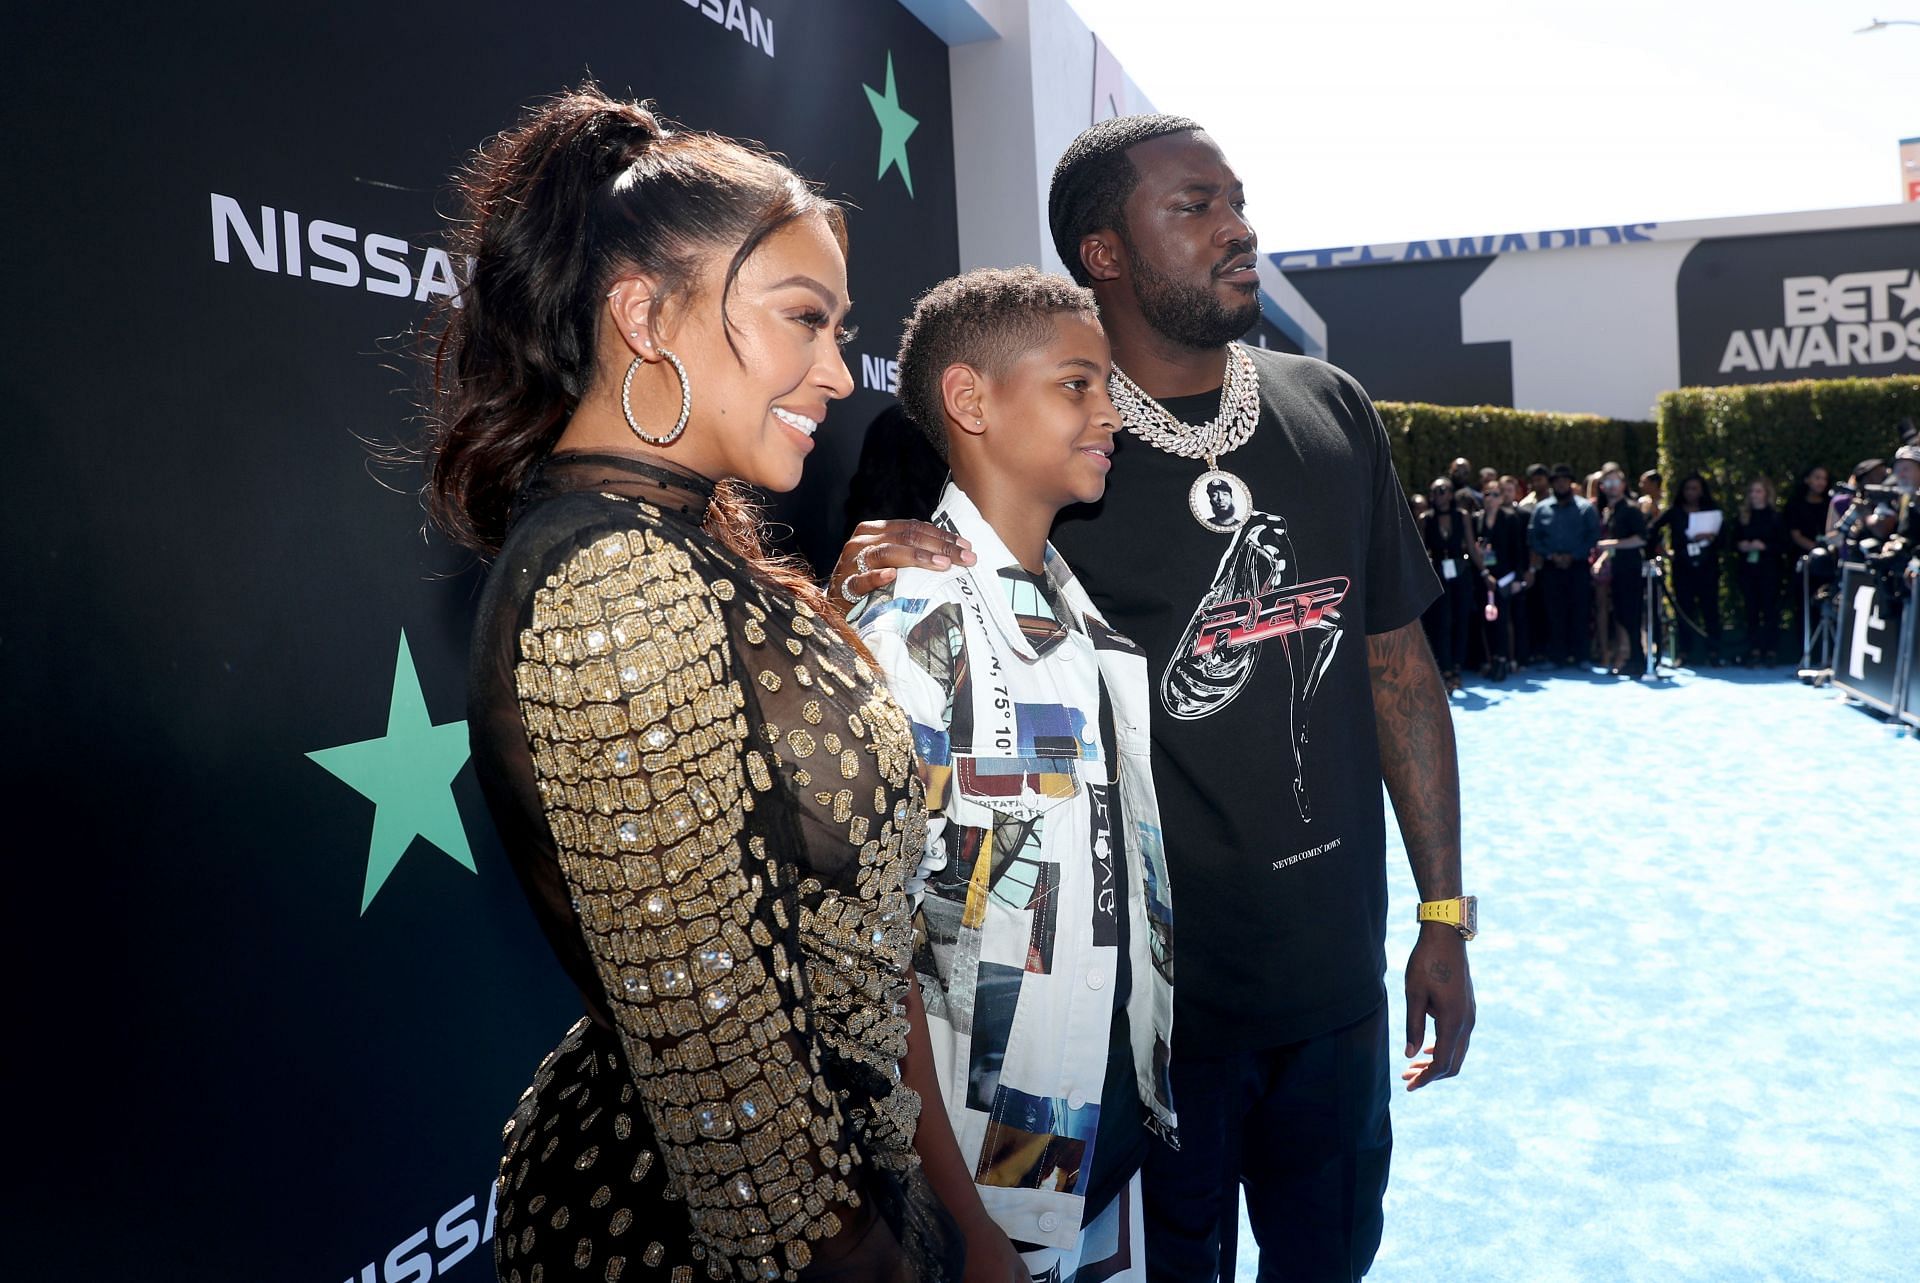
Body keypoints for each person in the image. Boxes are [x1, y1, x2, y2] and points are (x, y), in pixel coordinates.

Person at [832, 114, 1476, 1283]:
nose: (1239, 228)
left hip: (1336, 983)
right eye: (1195, 205)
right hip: (1135, 1024)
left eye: (1237, 198)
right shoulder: (1027, 440)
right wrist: (871, 558)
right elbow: (901, 618)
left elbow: (1397, 667)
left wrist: (1445, 915)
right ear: (1103, 251)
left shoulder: (1331, 406)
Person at [429, 89, 968, 1283]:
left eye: (840, 328)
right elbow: (740, 1112)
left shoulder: (667, 543)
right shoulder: (614, 581)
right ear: (643, 313)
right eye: (803, 319)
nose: (838, 371)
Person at [854, 266, 1177, 1283]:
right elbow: (879, 956)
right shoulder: (910, 628)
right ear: (971, 400)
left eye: (1108, 388)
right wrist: (965, 1220)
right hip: (986, 1191)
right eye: (1077, 385)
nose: (1110, 415)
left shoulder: (1074, 612)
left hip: (1097, 1147)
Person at [1419, 478, 1493, 690]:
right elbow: (1422, 551)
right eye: (1434, 491)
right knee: (1443, 621)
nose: (1438, 495)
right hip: (1439, 573)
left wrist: (1485, 572)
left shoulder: (1462, 516)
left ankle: (1457, 666)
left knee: (1461, 619)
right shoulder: (1426, 518)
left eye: (1442, 490)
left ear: (1451, 494)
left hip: (1461, 572)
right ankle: (1446, 669)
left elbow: (1471, 546)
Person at [1526, 463, 1601, 668]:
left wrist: (1574, 555)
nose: (1560, 484)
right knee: (1553, 612)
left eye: (1564, 480)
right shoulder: (1542, 509)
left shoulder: (1585, 508)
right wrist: (1550, 554)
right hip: (1551, 567)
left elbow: (1593, 536)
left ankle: (1581, 656)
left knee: (1580, 611)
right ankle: (1556, 656)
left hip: (1577, 567)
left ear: (1570, 483)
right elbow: (1533, 537)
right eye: (1556, 481)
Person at [1652, 473, 1725, 667]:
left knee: (1711, 610)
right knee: (1684, 610)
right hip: (1682, 567)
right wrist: (1664, 552)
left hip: (1707, 567)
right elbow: (1653, 529)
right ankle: (1685, 652)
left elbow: (1724, 540)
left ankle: (1714, 651)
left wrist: (1710, 538)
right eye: (1688, 489)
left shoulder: (1712, 511)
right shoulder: (1675, 511)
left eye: (1695, 488)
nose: (1691, 493)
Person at [1591, 464, 1650, 677]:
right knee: (1622, 617)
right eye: (1607, 483)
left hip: (1631, 571)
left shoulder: (1631, 509)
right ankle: (1632, 659)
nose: (1612, 487)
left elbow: (1640, 539)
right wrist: (1602, 560)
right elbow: (1613, 545)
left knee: (1632, 617)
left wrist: (1611, 544)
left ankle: (1638, 660)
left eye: (1616, 482)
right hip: (1617, 571)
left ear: (1623, 485)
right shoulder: (1612, 511)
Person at [1474, 481, 1529, 678]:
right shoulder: (1476, 519)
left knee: (1504, 619)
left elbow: (1518, 550)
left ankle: (1505, 659)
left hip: (1506, 576)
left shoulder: (1510, 518)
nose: (1491, 498)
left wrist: (1518, 578)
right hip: (1484, 576)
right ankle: (1489, 659)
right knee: (1485, 619)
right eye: (1487, 494)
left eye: (1496, 495)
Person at [1731, 477, 1787, 664]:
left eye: (1759, 491)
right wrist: (1743, 545)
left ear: (1766, 494)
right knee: (1751, 610)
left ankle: (1771, 649)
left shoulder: (1775, 517)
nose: (1755, 495)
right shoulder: (1743, 517)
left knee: (1770, 610)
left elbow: (1783, 545)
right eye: (1752, 491)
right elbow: (1732, 542)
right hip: (1748, 570)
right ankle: (1753, 649)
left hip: (1770, 570)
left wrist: (1764, 547)